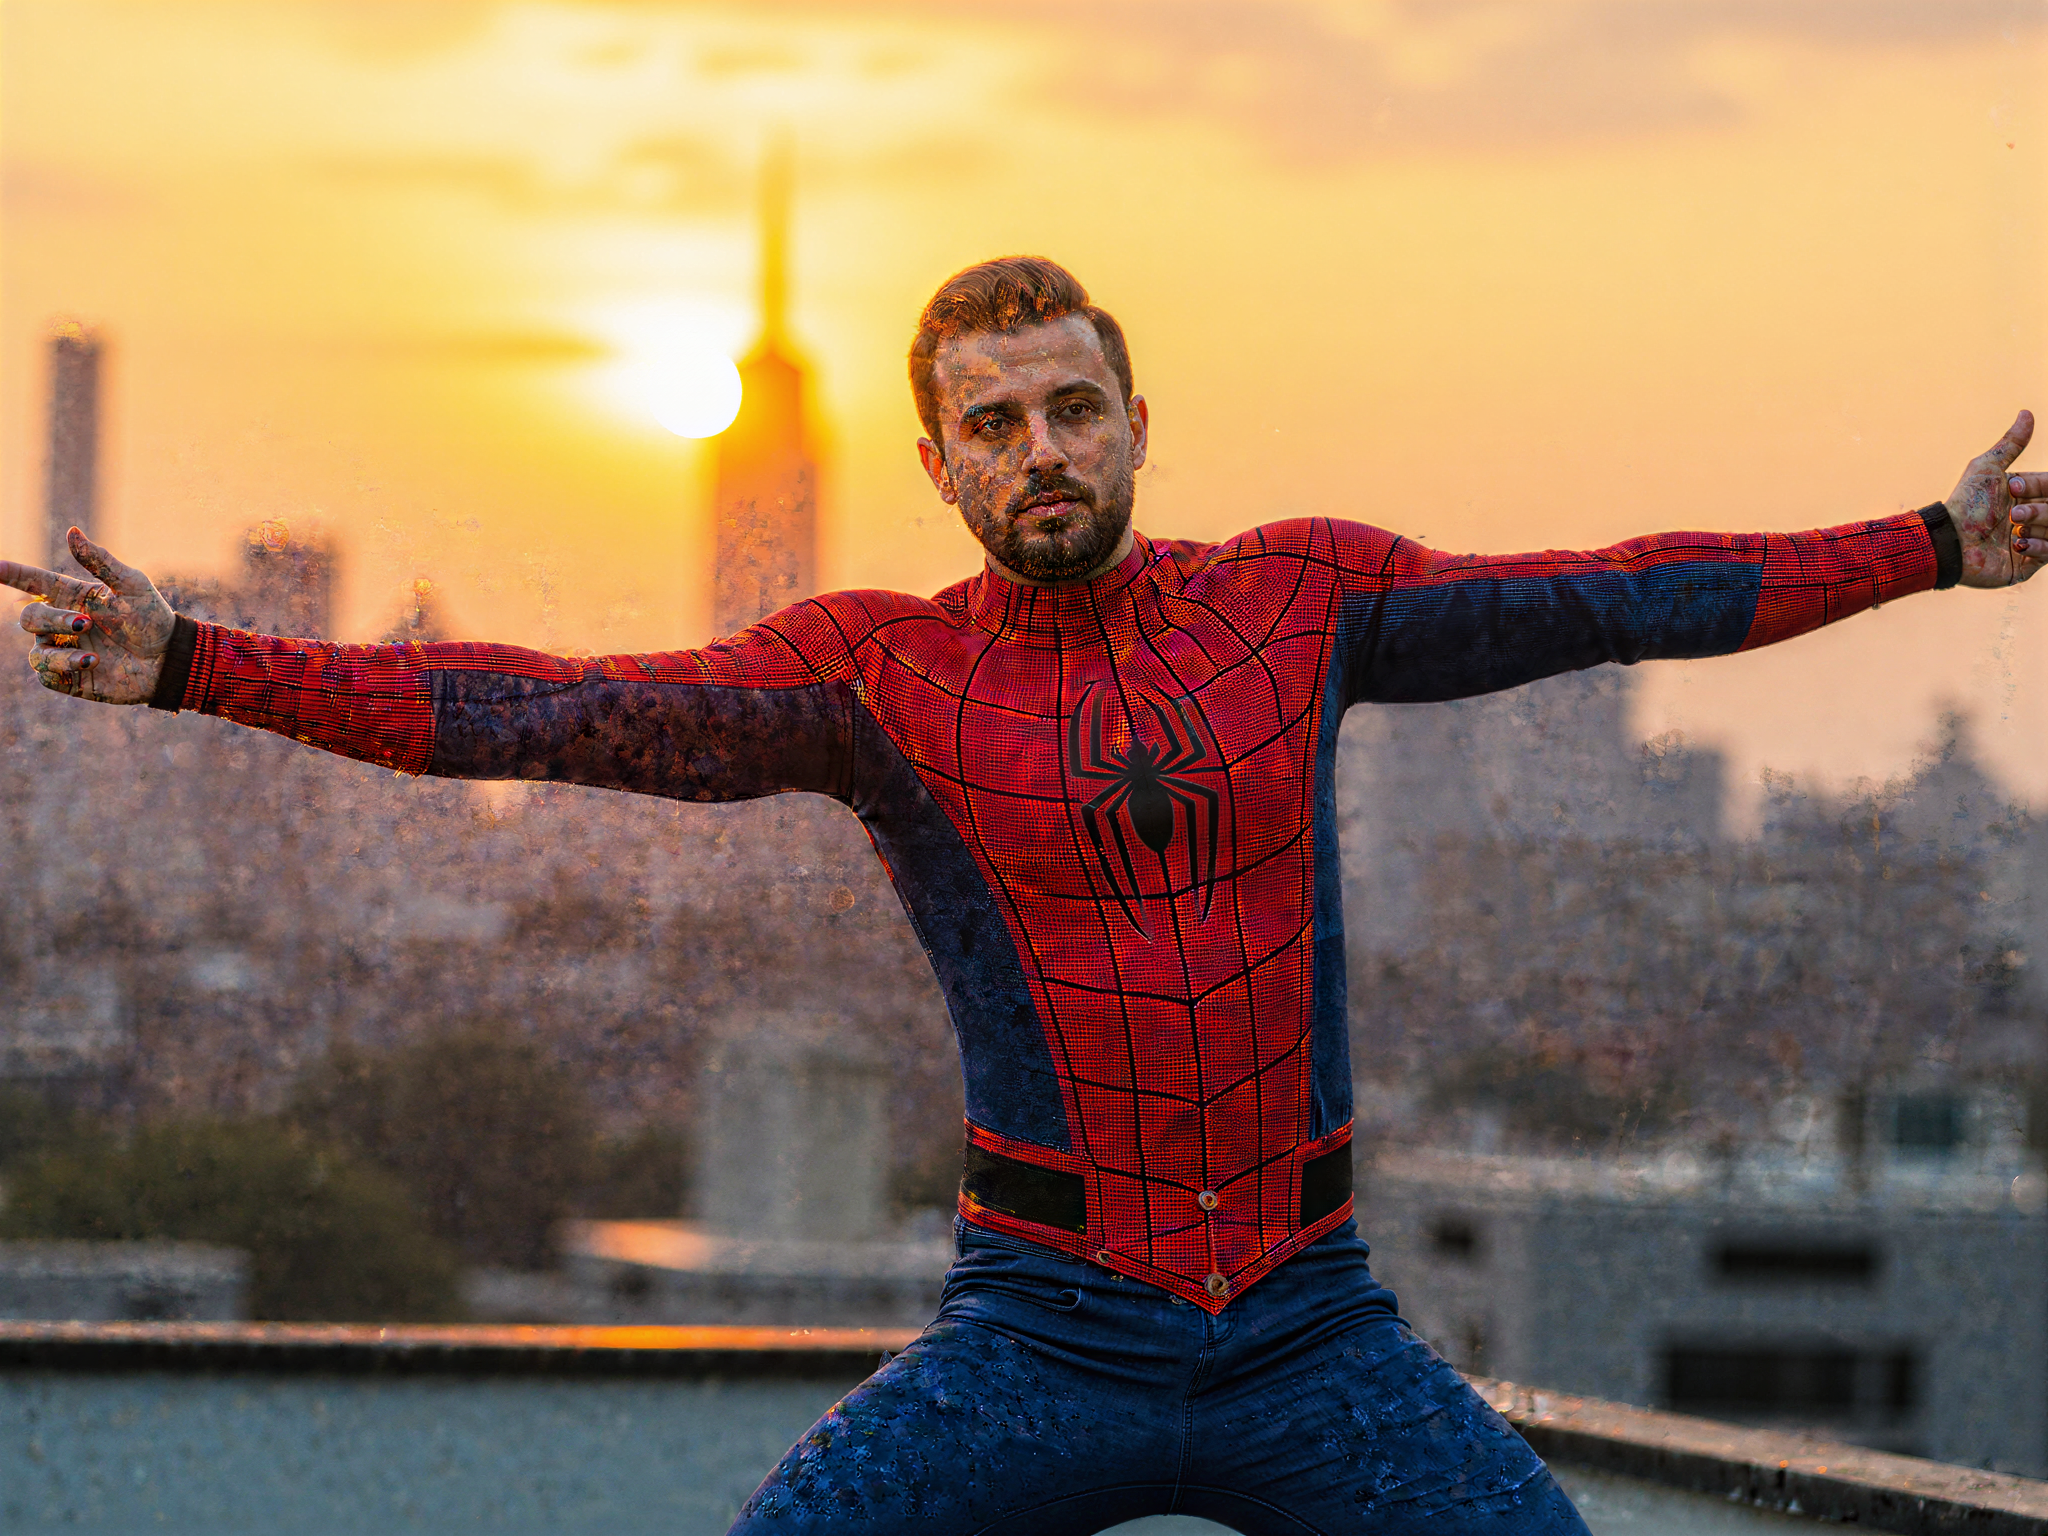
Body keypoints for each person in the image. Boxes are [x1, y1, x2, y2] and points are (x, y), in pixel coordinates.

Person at [5, 257, 2043, 1534]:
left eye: (1073, 410)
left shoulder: (1297, 599)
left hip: (1312, 1325)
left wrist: (1932, 544)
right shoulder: (875, 674)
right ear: (940, 466)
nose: (1041, 451)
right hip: (1040, 1335)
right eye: (994, 426)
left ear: (1139, 424)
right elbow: (543, 708)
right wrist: (198, 662)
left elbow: (1612, 593)